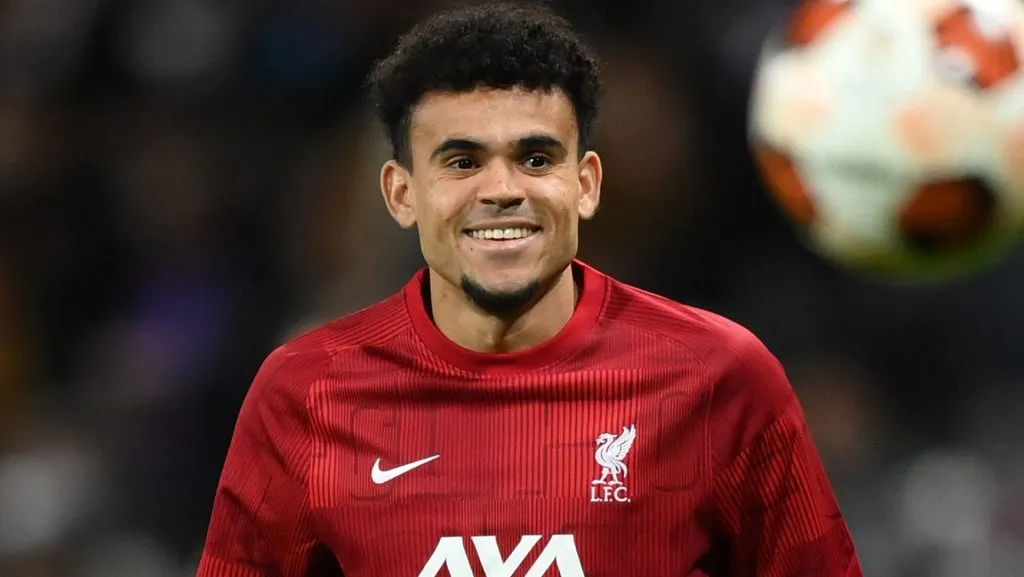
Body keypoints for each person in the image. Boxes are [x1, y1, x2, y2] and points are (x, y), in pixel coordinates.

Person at [196, 3, 864, 576]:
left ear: (587, 184)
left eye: (536, 158)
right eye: (462, 161)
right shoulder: (305, 396)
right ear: (402, 193)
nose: (502, 190)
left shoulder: (720, 379)